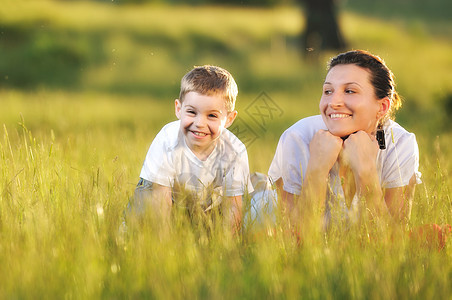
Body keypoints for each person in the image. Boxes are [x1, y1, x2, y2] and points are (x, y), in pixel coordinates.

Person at [268, 50, 421, 233]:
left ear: (382, 107)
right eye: (328, 91)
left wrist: (366, 170)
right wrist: (317, 168)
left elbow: (391, 243)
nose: (333, 102)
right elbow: (294, 241)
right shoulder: (297, 138)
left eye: (349, 91)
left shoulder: (400, 144)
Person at [130, 65, 253, 232]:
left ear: (229, 119)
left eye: (212, 115)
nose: (200, 123)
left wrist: (226, 248)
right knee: (141, 211)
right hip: (162, 203)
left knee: (257, 202)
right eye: (192, 112)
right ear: (179, 109)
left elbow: (233, 206)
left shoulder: (234, 150)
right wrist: (165, 247)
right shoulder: (167, 140)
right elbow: (160, 198)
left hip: (204, 209)